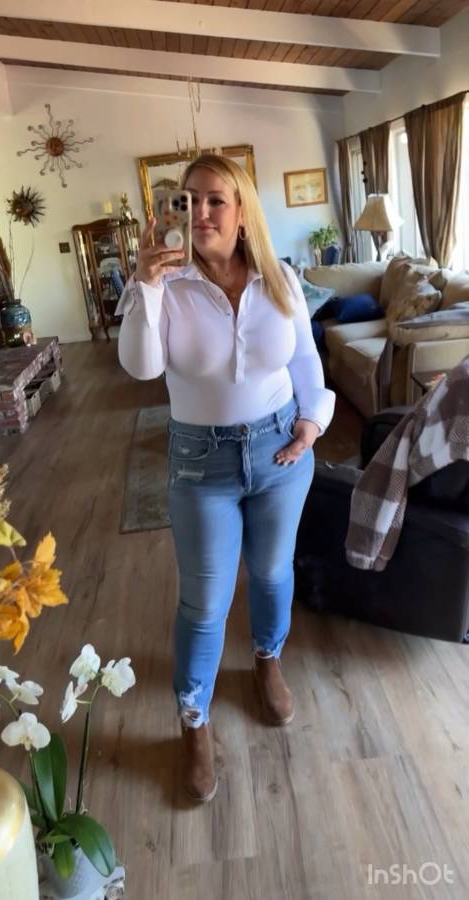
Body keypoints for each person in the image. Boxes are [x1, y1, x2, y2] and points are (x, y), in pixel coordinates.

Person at [117, 154, 335, 803]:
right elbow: (140, 367)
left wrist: (312, 423)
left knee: (271, 573)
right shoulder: (167, 284)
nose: (202, 213)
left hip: (280, 453)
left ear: (242, 212)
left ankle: (267, 660)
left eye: (216, 200)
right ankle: (194, 719)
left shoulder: (280, 277)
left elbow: (305, 361)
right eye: (189, 200)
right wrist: (146, 285)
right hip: (199, 463)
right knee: (205, 602)